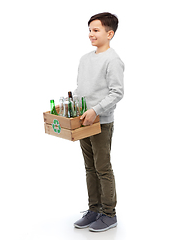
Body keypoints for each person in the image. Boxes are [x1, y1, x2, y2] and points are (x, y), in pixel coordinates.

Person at [73, 12, 124, 232]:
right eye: (90, 30)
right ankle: (94, 209)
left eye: (96, 30)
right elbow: (82, 89)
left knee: (102, 167)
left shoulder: (113, 60)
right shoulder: (85, 59)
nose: (91, 34)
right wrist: (73, 106)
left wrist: (96, 110)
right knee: (89, 167)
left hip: (101, 122)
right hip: (83, 122)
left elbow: (117, 93)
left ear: (109, 34)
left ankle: (109, 214)